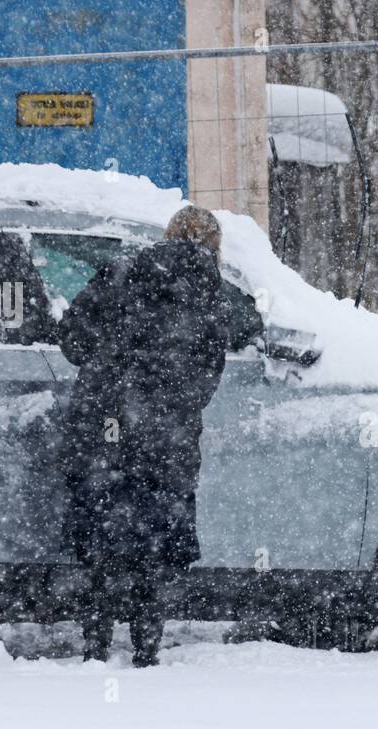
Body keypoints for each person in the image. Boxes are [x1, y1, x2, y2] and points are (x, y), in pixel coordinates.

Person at [58, 206, 260, 666]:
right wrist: (169, 404)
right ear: (214, 246)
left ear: (167, 235)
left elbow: (71, 337)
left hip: (103, 426)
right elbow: (209, 372)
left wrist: (110, 372)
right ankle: (147, 650)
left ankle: (96, 646)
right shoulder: (213, 294)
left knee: (103, 535)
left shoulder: (122, 270)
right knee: (155, 539)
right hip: (165, 436)